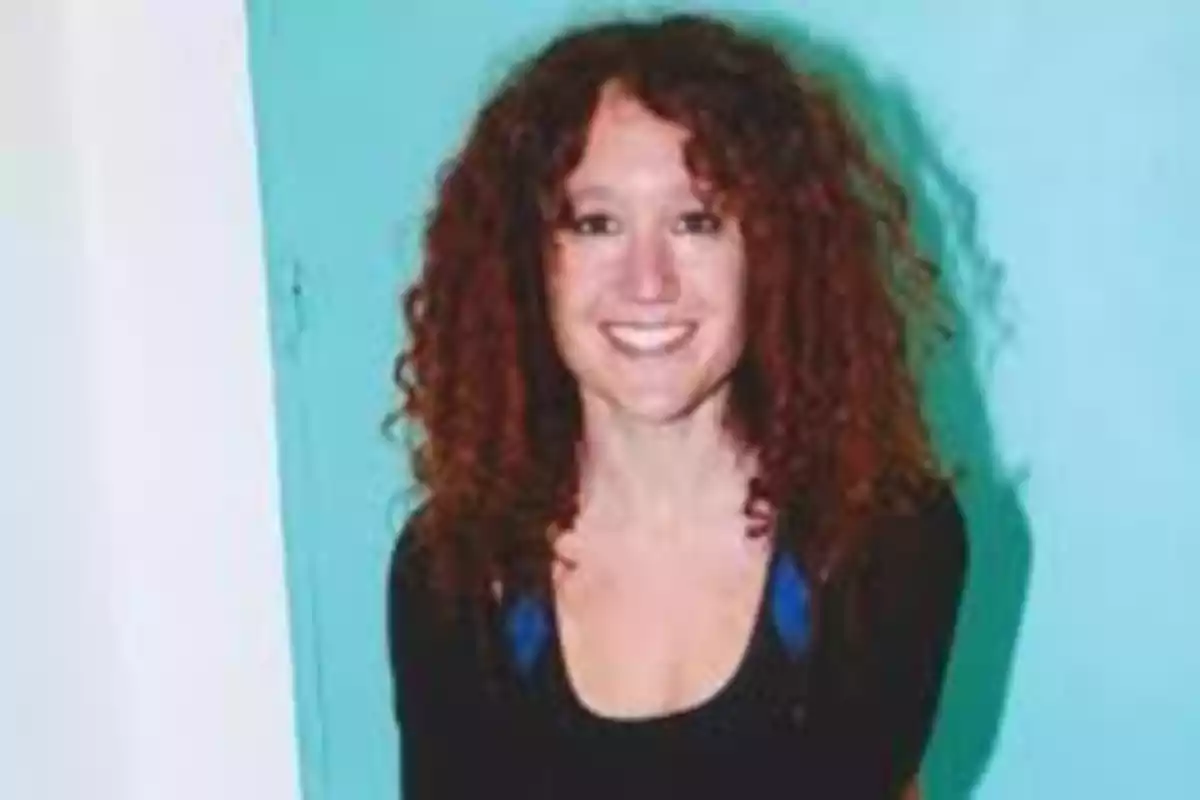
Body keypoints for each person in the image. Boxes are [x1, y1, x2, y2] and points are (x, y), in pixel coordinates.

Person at [385, 11, 967, 799]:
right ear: (528, 265)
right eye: (595, 224)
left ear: (771, 250)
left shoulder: (886, 548)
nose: (647, 281)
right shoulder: (452, 575)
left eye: (697, 220)